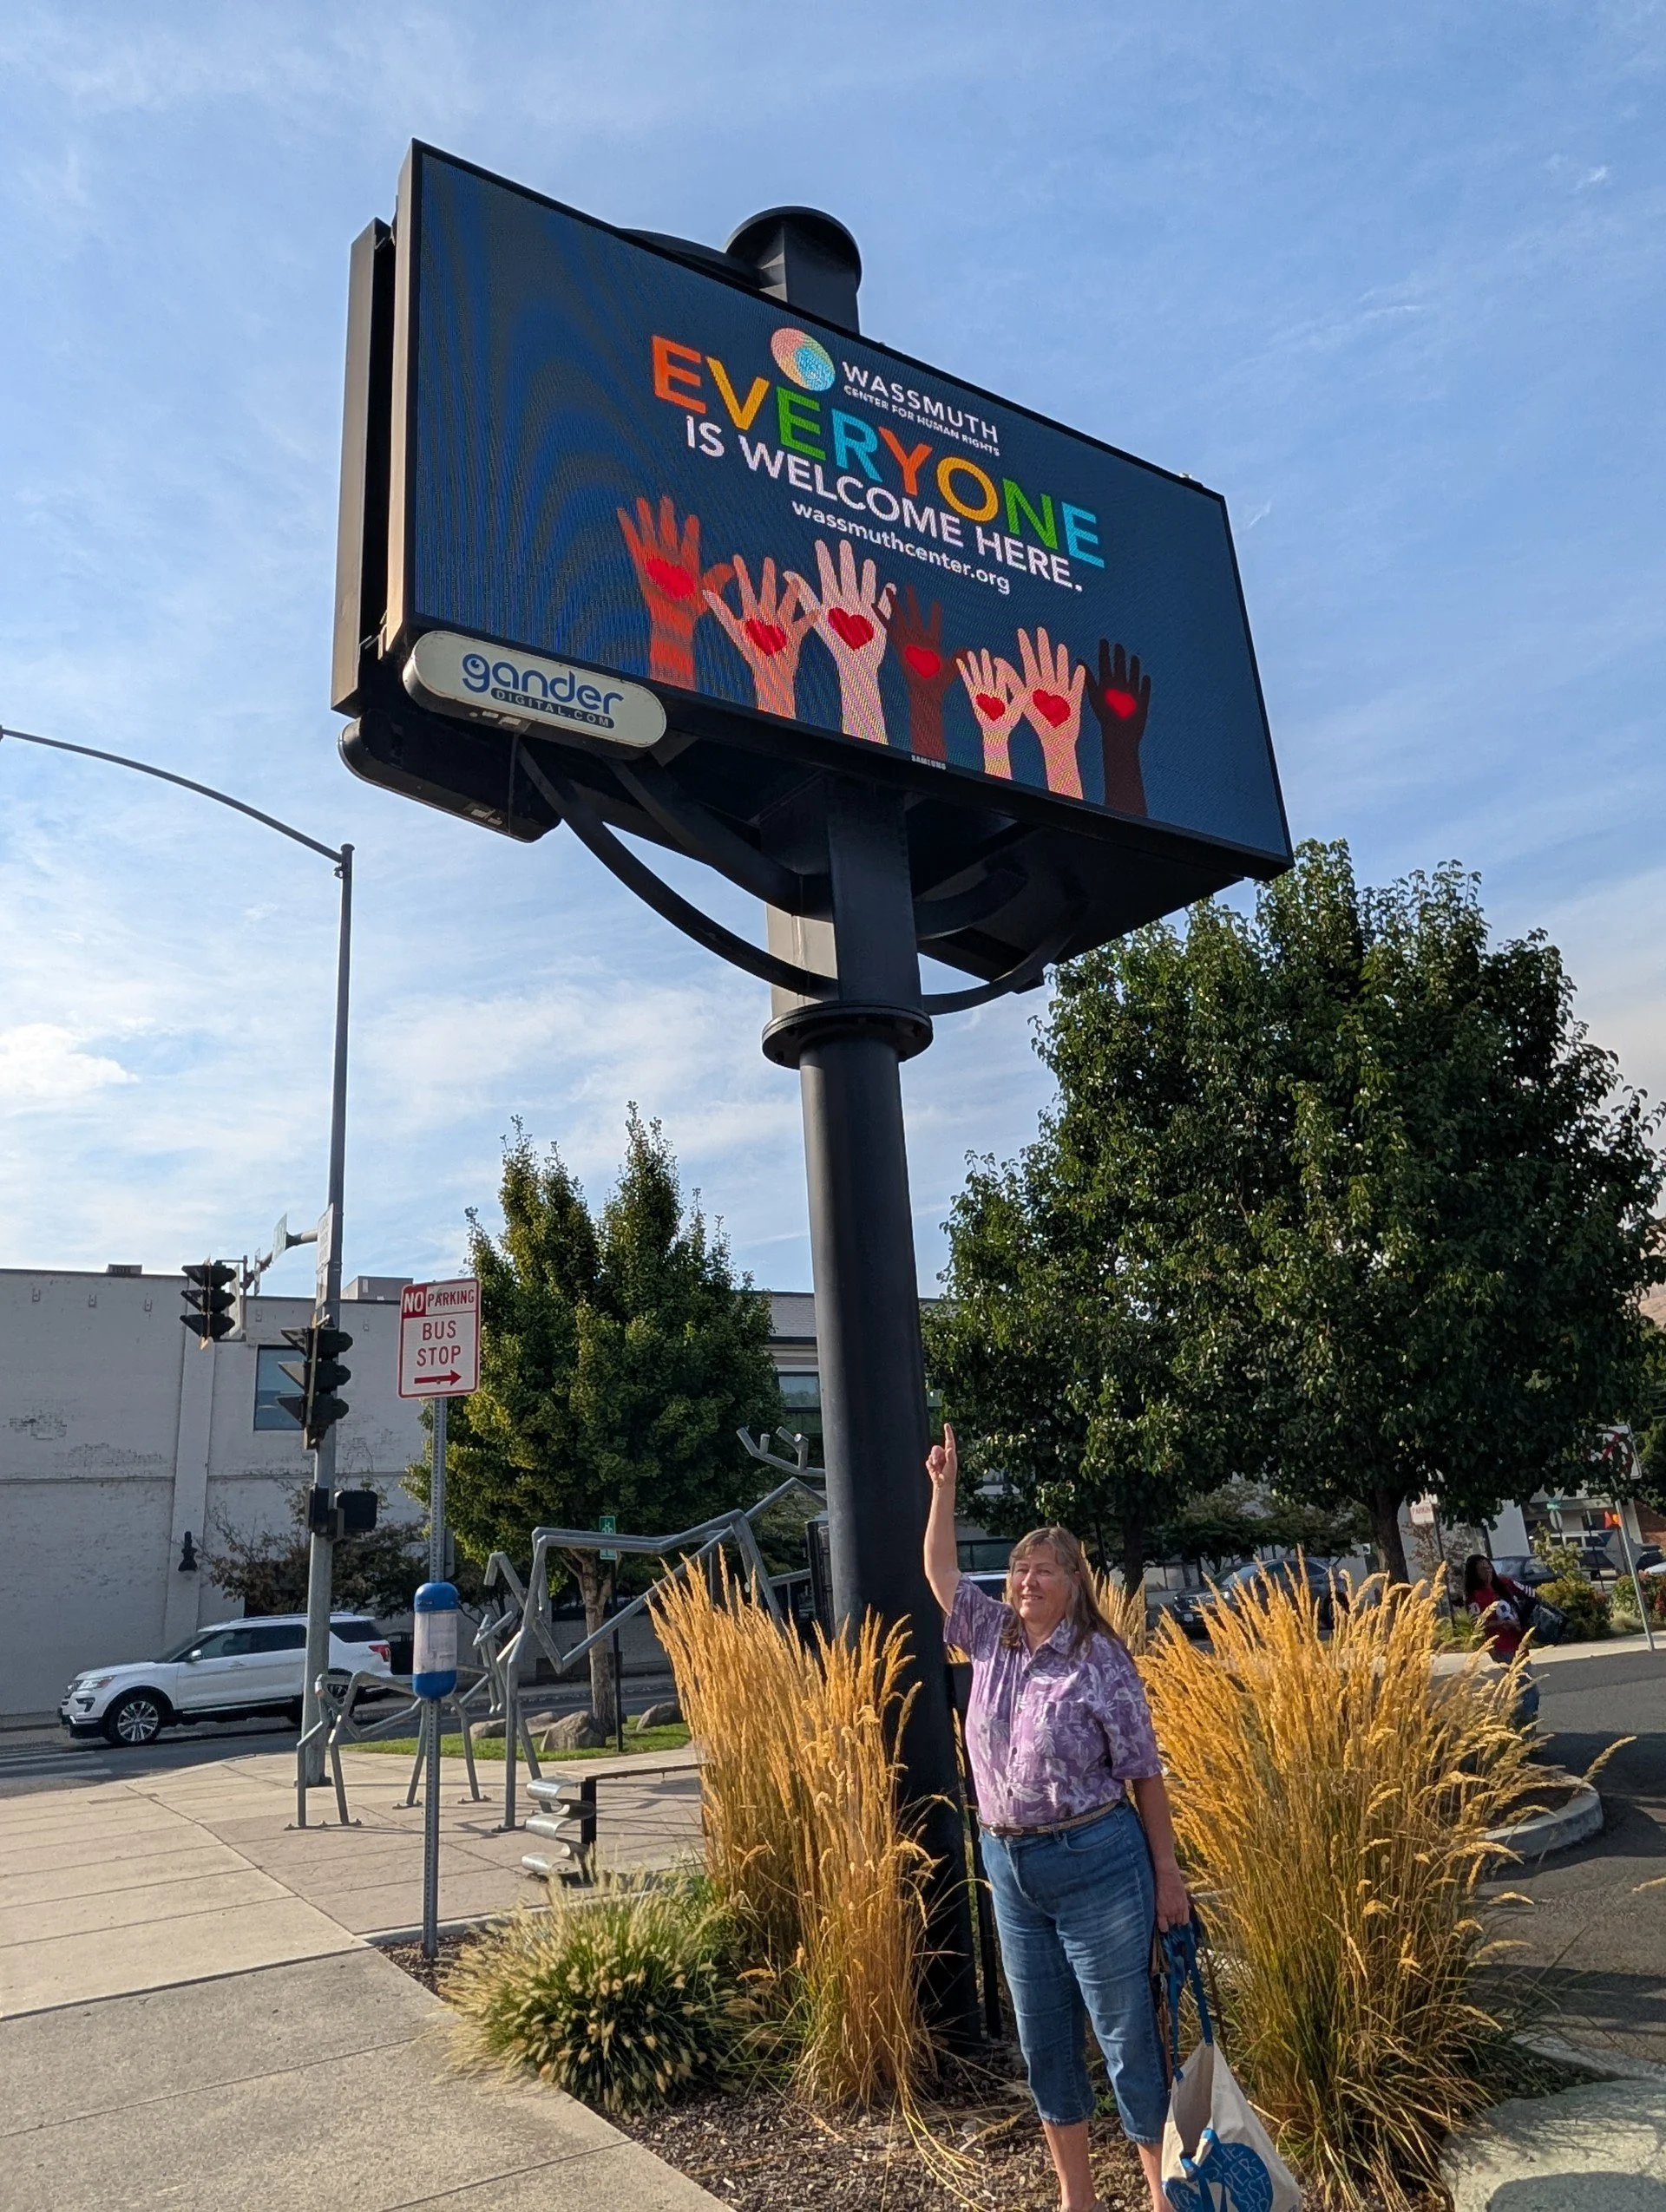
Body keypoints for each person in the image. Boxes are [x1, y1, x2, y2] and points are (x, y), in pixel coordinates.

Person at [924, 1423, 1186, 2212]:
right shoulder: (992, 1638)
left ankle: (1160, 2194)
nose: (1026, 1580)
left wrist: (1168, 1877)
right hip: (1010, 1867)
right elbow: (939, 1571)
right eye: (1018, 1568)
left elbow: (1144, 1774)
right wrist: (944, 1491)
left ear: (1074, 1581)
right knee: (1044, 2045)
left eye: (1043, 1570)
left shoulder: (1101, 1660)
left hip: (1097, 1863)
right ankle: (1079, 2199)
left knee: (1125, 2038)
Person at [1463, 1553, 1535, 1660]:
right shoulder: (1474, 1597)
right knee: (1522, 1675)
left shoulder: (1504, 1583)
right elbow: (1477, 1624)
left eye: (1488, 1567)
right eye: (1482, 1569)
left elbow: (1529, 1592)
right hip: (1501, 1645)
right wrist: (1504, 1623)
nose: (1487, 1571)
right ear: (1475, 1573)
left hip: (1518, 1638)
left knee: (1524, 1672)